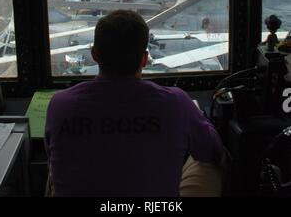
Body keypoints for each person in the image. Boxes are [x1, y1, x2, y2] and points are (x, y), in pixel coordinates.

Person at [45, 10, 224, 197]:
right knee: (206, 164)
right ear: (145, 59)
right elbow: (212, 151)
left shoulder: (60, 104)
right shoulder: (176, 103)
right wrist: (196, 119)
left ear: (95, 55)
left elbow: (53, 158)